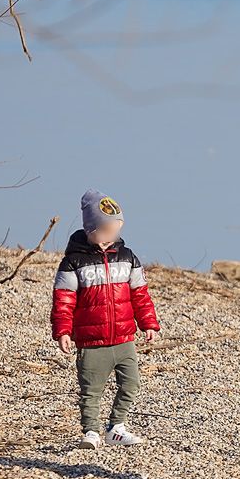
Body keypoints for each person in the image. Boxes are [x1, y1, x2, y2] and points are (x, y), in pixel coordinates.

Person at [51, 191, 161, 449]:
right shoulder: (73, 262)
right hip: (91, 341)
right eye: (107, 231)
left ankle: (117, 427)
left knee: (131, 383)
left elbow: (140, 294)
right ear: (92, 229)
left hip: (124, 337)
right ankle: (91, 431)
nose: (113, 236)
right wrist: (63, 331)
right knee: (91, 389)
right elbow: (63, 300)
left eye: (116, 230)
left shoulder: (127, 257)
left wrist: (149, 324)